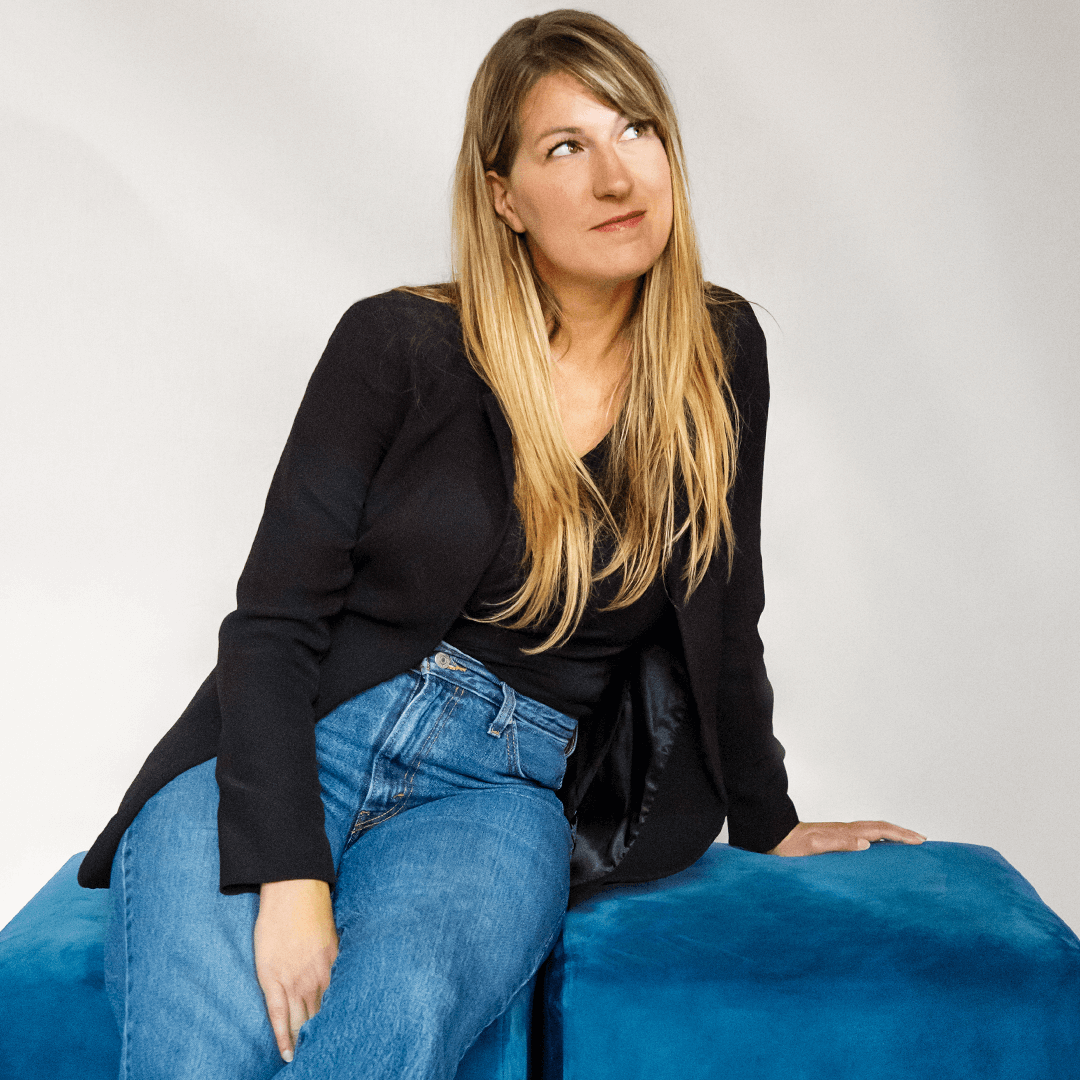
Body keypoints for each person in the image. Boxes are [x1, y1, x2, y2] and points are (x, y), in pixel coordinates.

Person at [78, 10, 925, 1079]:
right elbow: (274, 621)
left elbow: (727, 605)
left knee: (388, 1026)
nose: (616, 177)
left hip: (497, 793)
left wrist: (768, 820)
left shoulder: (720, 353)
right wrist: (290, 876)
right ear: (503, 197)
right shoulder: (397, 343)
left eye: (636, 131)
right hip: (299, 743)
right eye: (566, 147)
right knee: (204, 1052)